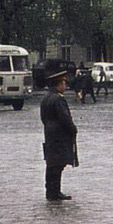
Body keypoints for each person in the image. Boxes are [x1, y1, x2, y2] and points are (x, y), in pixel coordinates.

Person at [40, 63, 78, 201]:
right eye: (63, 83)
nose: (65, 86)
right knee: (58, 165)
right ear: (58, 84)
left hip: (50, 134)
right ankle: (54, 192)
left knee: (52, 164)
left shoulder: (46, 98)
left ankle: (51, 191)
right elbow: (65, 118)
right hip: (60, 136)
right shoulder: (58, 99)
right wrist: (73, 129)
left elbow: (43, 118)